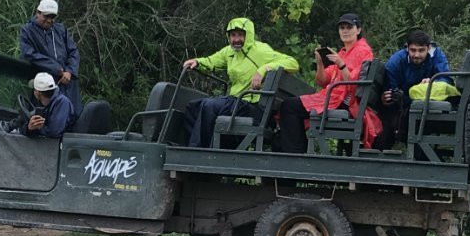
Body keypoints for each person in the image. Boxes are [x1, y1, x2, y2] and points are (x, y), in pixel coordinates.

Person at [182, 17, 299, 148]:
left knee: (209, 105)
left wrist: (263, 69)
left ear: (248, 35)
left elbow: (292, 63)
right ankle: (189, 148)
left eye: (240, 35)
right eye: (233, 35)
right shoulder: (229, 52)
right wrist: (197, 62)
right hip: (235, 102)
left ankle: (200, 150)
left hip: (252, 106)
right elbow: (212, 60)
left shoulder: (260, 50)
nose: (236, 39)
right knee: (192, 107)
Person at [276, 13, 380, 153]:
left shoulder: (363, 51)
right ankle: (296, 152)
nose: (345, 31)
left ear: (358, 30)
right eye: (342, 28)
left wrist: (341, 64)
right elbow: (322, 81)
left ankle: (295, 154)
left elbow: (353, 85)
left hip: (345, 102)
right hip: (332, 98)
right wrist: (320, 63)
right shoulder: (343, 52)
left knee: (289, 106)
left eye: (349, 27)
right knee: (289, 107)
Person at [380, 30, 451, 145]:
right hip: (403, 105)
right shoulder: (395, 62)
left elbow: (447, 79)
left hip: (429, 104)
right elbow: (390, 90)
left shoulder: (436, 55)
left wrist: (433, 82)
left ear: (428, 48)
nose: (417, 55)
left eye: (421, 50)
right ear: (407, 48)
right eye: (413, 50)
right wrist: (389, 96)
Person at [19, 0, 83, 116]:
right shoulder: (27, 31)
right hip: (45, 87)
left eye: (52, 17)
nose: (49, 20)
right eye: (46, 16)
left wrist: (70, 71)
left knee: (73, 116)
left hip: (67, 84)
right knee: (46, 118)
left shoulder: (61, 29)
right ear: (38, 13)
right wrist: (55, 68)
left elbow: (73, 52)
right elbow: (29, 54)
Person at [20, 72, 76, 138]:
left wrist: (38, 128)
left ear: (37, 92)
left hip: (61, 143)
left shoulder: (62, 102)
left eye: (34, 89)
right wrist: (29, 128)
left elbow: (54, 132)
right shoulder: (45, 105)